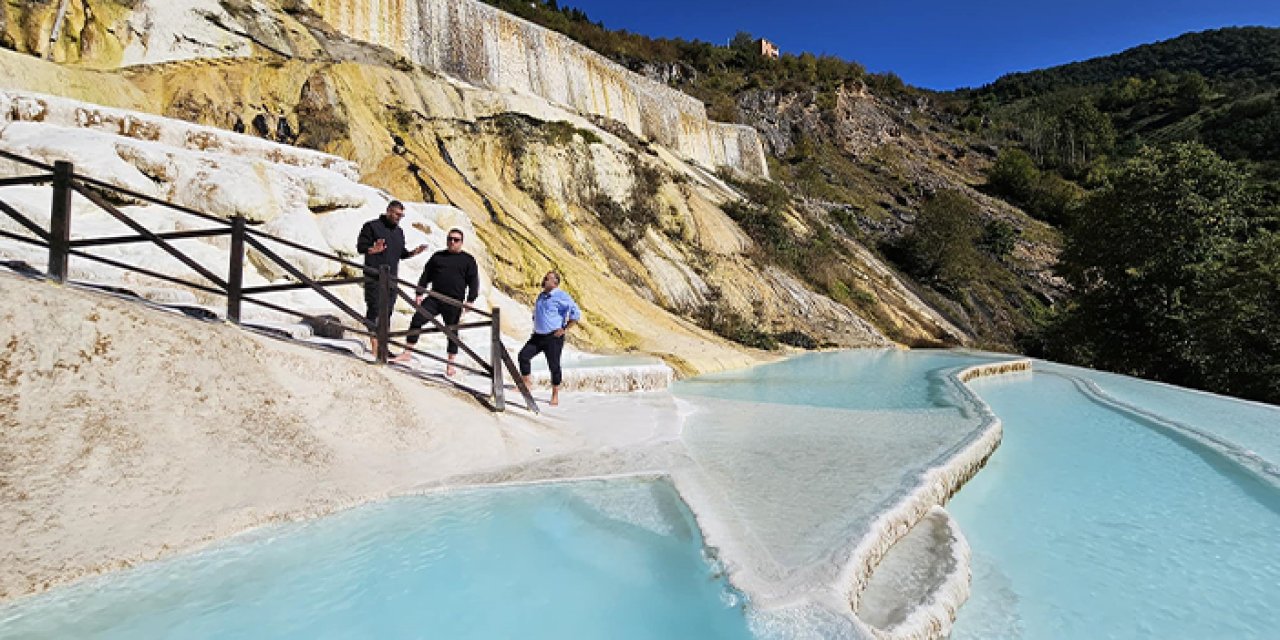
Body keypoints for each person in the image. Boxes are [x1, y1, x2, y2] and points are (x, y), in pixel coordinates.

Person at [394, 228, 480, 375]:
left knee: (452, 332)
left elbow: (473, 281)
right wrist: (419, 292)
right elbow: (426, 275)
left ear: (461, 242)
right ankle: (407, 353)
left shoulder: (468, 260)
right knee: (417, 320)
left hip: (454, 302)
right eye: (450, 239)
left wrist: (471, 299)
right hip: (434, 297)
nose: (452, 242)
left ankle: (450, 364)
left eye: (456, 240)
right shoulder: (438, 256)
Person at [356, 200, 426, 355]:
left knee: (387, 312)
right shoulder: (372, 226)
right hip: (374, 276)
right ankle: (375, 347)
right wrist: (373, 249)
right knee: (374, 309)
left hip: (392, 279)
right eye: (396, 214)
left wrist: (413, 253)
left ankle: (383, 347)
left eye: (401, 215)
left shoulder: (399, 232)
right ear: (388, 211)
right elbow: (361, 247)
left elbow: (400, 253)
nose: (399, 217)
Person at [518, 270, 581, 406]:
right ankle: (527, 384)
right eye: (544, 277)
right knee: (523, 356)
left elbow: (576, 313)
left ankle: (555, 394)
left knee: (554, 366)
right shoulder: (541, 295)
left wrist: (564, 329)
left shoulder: (561, 296)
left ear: (554, 283)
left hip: (553, 337)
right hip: (537, 336)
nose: (544, 280)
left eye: (547, 278)